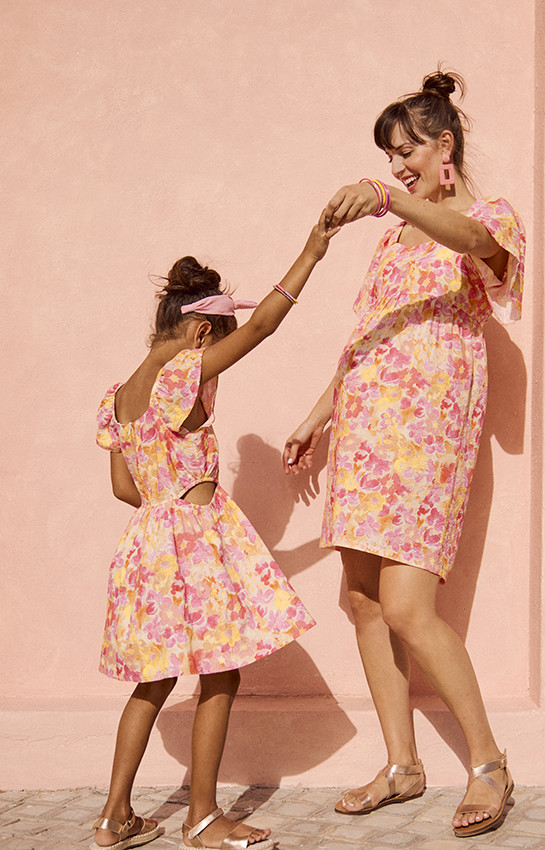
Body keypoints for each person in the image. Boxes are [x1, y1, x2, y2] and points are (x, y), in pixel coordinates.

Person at [284, 69, 525, 839]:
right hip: (364, 434)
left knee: (408, 608)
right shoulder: (392, 239)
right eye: (388, 157)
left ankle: (489, 764)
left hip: (427, 435)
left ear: (444, 146)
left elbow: (479, 247)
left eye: (407, 151)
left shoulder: (488, 216)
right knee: (361, 601)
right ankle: (401, 765)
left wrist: (390, 197)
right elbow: (370, 334)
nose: (396, 166)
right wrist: (319, 414)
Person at [91, 220, 337, 850]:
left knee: (154, 680)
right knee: (221, 673)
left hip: (147, 543)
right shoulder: (183, 371)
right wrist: (312, 250)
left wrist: (165, 499)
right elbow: (262, 327)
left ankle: (115, 817)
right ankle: (202, 818)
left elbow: (123, 488)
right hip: (194, 540)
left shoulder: (118, 397)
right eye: (217, 349)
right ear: (202, 333)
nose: (214, 373)